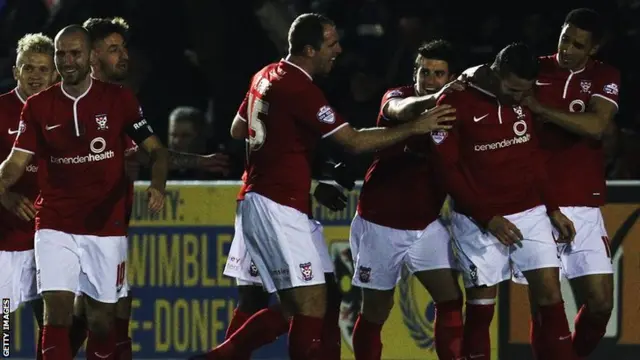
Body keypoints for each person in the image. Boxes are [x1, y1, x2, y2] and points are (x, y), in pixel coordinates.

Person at [195, 13, 456, 360]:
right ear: (309, 49)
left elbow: (238, 129)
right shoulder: (299, 88)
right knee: (305, 307)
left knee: (326, 297)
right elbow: (354, 141)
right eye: (331, 44)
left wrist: (303, 163)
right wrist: (416, 127)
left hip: (276, 199)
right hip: (276, 205)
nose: (338, 50)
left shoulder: (266, 75)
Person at [64, 17, 229, 360]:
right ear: (92, 56)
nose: (125, 56)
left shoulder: (120, 99)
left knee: (115, 308)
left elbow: (144, 150)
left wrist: (197, 162)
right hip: (80, 228)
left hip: (112, 224)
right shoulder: (73, 101)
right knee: (99, 313)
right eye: (114, 49)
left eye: (124, 47)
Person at [0, 25, 169, 360]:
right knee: (56, 315)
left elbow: (157, 151)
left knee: (102, 321)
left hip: (105, 226)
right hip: (54, 223)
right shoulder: (37, 107)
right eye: (61, 54)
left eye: (74, 53)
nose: (67, 60)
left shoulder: (119, 99)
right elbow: (15, 164)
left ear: (90, 56)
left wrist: (158, 185)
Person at [431, 43, 576, 360]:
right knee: (482, 309)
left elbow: (533, 155)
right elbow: (447, 170)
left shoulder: (523, 99)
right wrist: (487, 217)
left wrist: (552, 207)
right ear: (496, 73)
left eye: (524, 91)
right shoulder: (454, 100)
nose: (517, 97)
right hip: (477, 219)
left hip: (530, 212)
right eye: (512, 89)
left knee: (551, 297)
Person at [349, 39, 466, 360]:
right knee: (375, 311)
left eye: (438, 74)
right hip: (379, 224)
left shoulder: (458, 114)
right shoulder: (398, 97)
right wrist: (430, 106)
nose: (428, 79)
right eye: (423, 71)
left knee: (450, 299)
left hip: (425, 225)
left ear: (451, 77)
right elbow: (400, 109)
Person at [522, 8, 620, 359]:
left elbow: (596, 126)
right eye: (565, 39)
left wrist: (540, 109)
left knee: (600, 304)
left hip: (584, 200)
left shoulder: (605, 75)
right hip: (535, 203)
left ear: (593, 49)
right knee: (545, 306)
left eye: (578, 45)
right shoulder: (534, 69)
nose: (567, 49)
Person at [0, 32, 57, 360]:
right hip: (7, 239)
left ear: (54, 74)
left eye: (43, 69)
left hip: (49, 238)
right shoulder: (2, 110)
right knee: (5, 322)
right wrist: (4, 195)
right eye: (28, 68)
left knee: (52, 320)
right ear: (15, 72)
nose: (35, 75)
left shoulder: (62, 112)